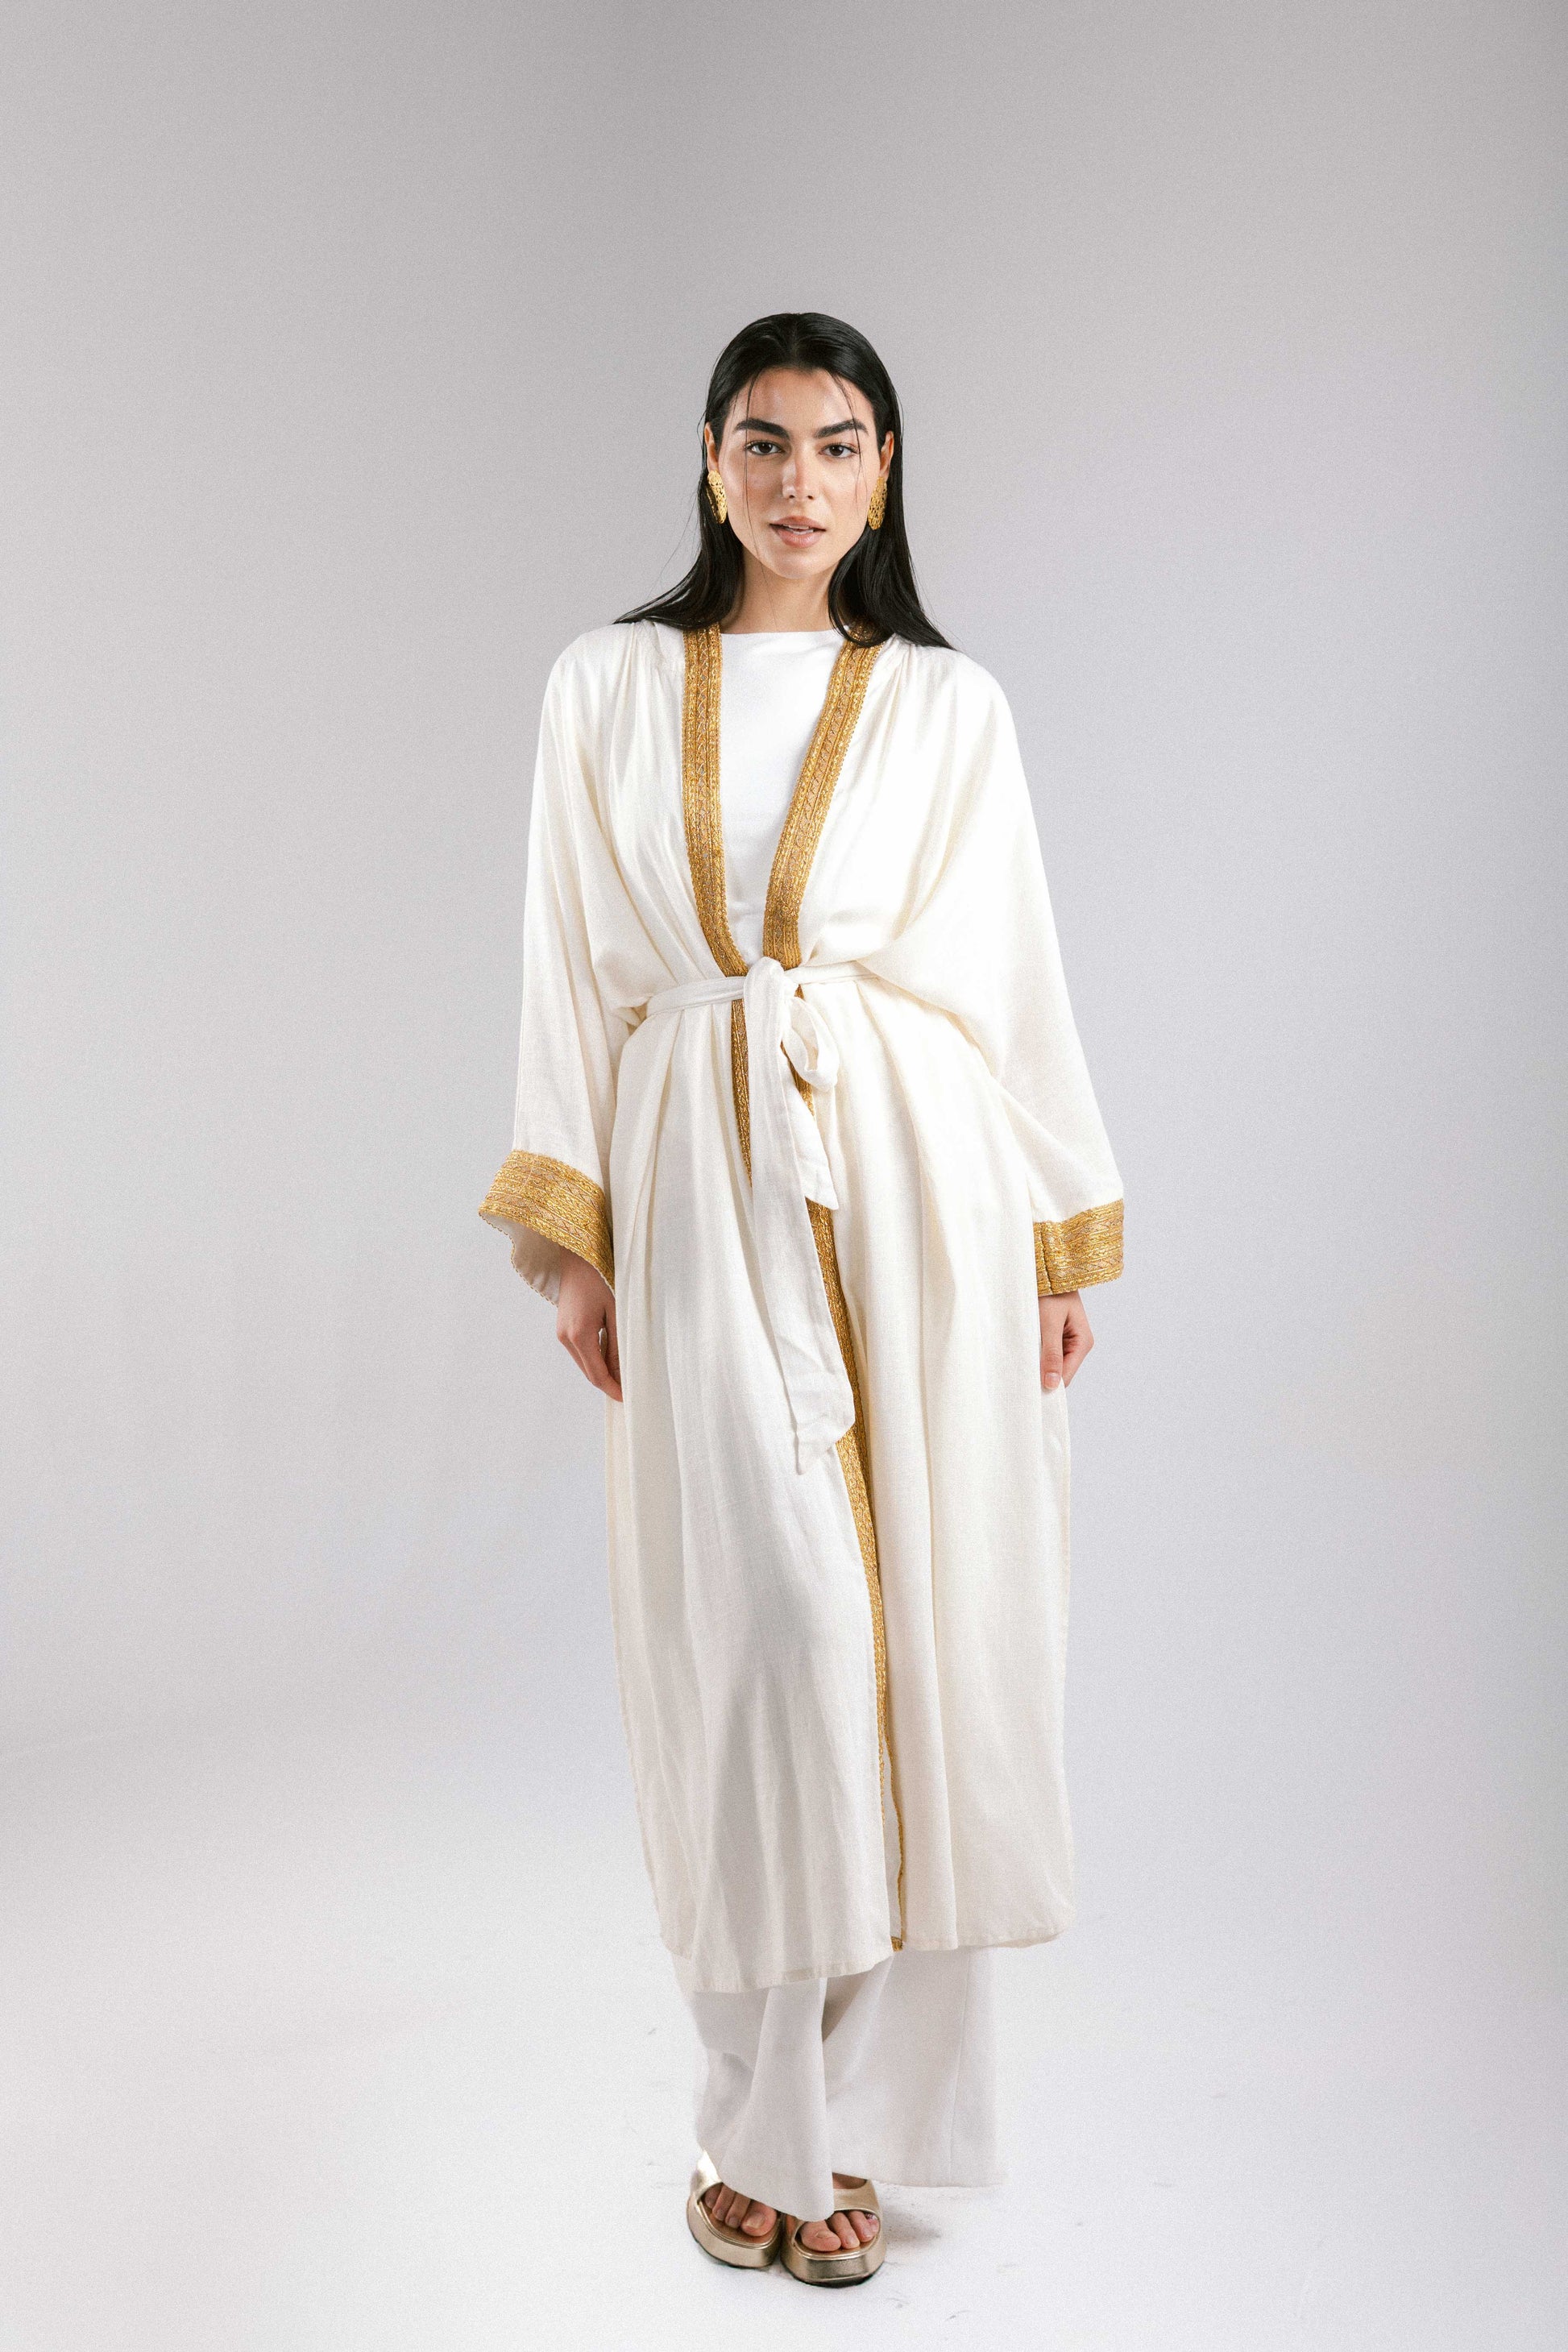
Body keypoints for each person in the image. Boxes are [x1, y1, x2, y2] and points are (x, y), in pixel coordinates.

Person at [479, 312, 1122, 2286]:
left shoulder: (944, 704)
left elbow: (1011, 974)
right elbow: (566, 958)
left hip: (916, 1182)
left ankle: (832, 2138)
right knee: (765, 1647)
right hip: (698, 1171)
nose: (798, 481)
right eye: (763, 442)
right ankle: (744, 2115)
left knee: (915, 1649)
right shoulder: (606, 684)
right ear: (708, 460)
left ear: (884, 470)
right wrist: (577, 1231)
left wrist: (1050, 1230)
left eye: (839, 444)